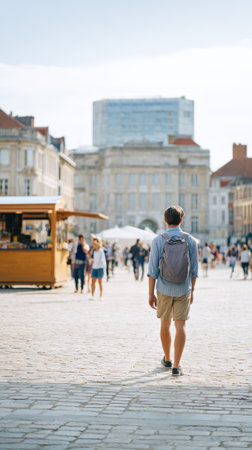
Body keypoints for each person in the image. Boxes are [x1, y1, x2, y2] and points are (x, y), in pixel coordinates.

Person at [148, 205, 198, 376]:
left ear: (165, 220)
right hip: (184, 288)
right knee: (181, 325)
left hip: (163, 288)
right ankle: (177, 365)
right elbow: (194, 270)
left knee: (164, 323)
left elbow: (152, 270)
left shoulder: (158, 240)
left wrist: (150, 294)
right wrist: (192, 290)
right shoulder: (190, 240)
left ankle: (167, 358)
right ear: (181, 220)